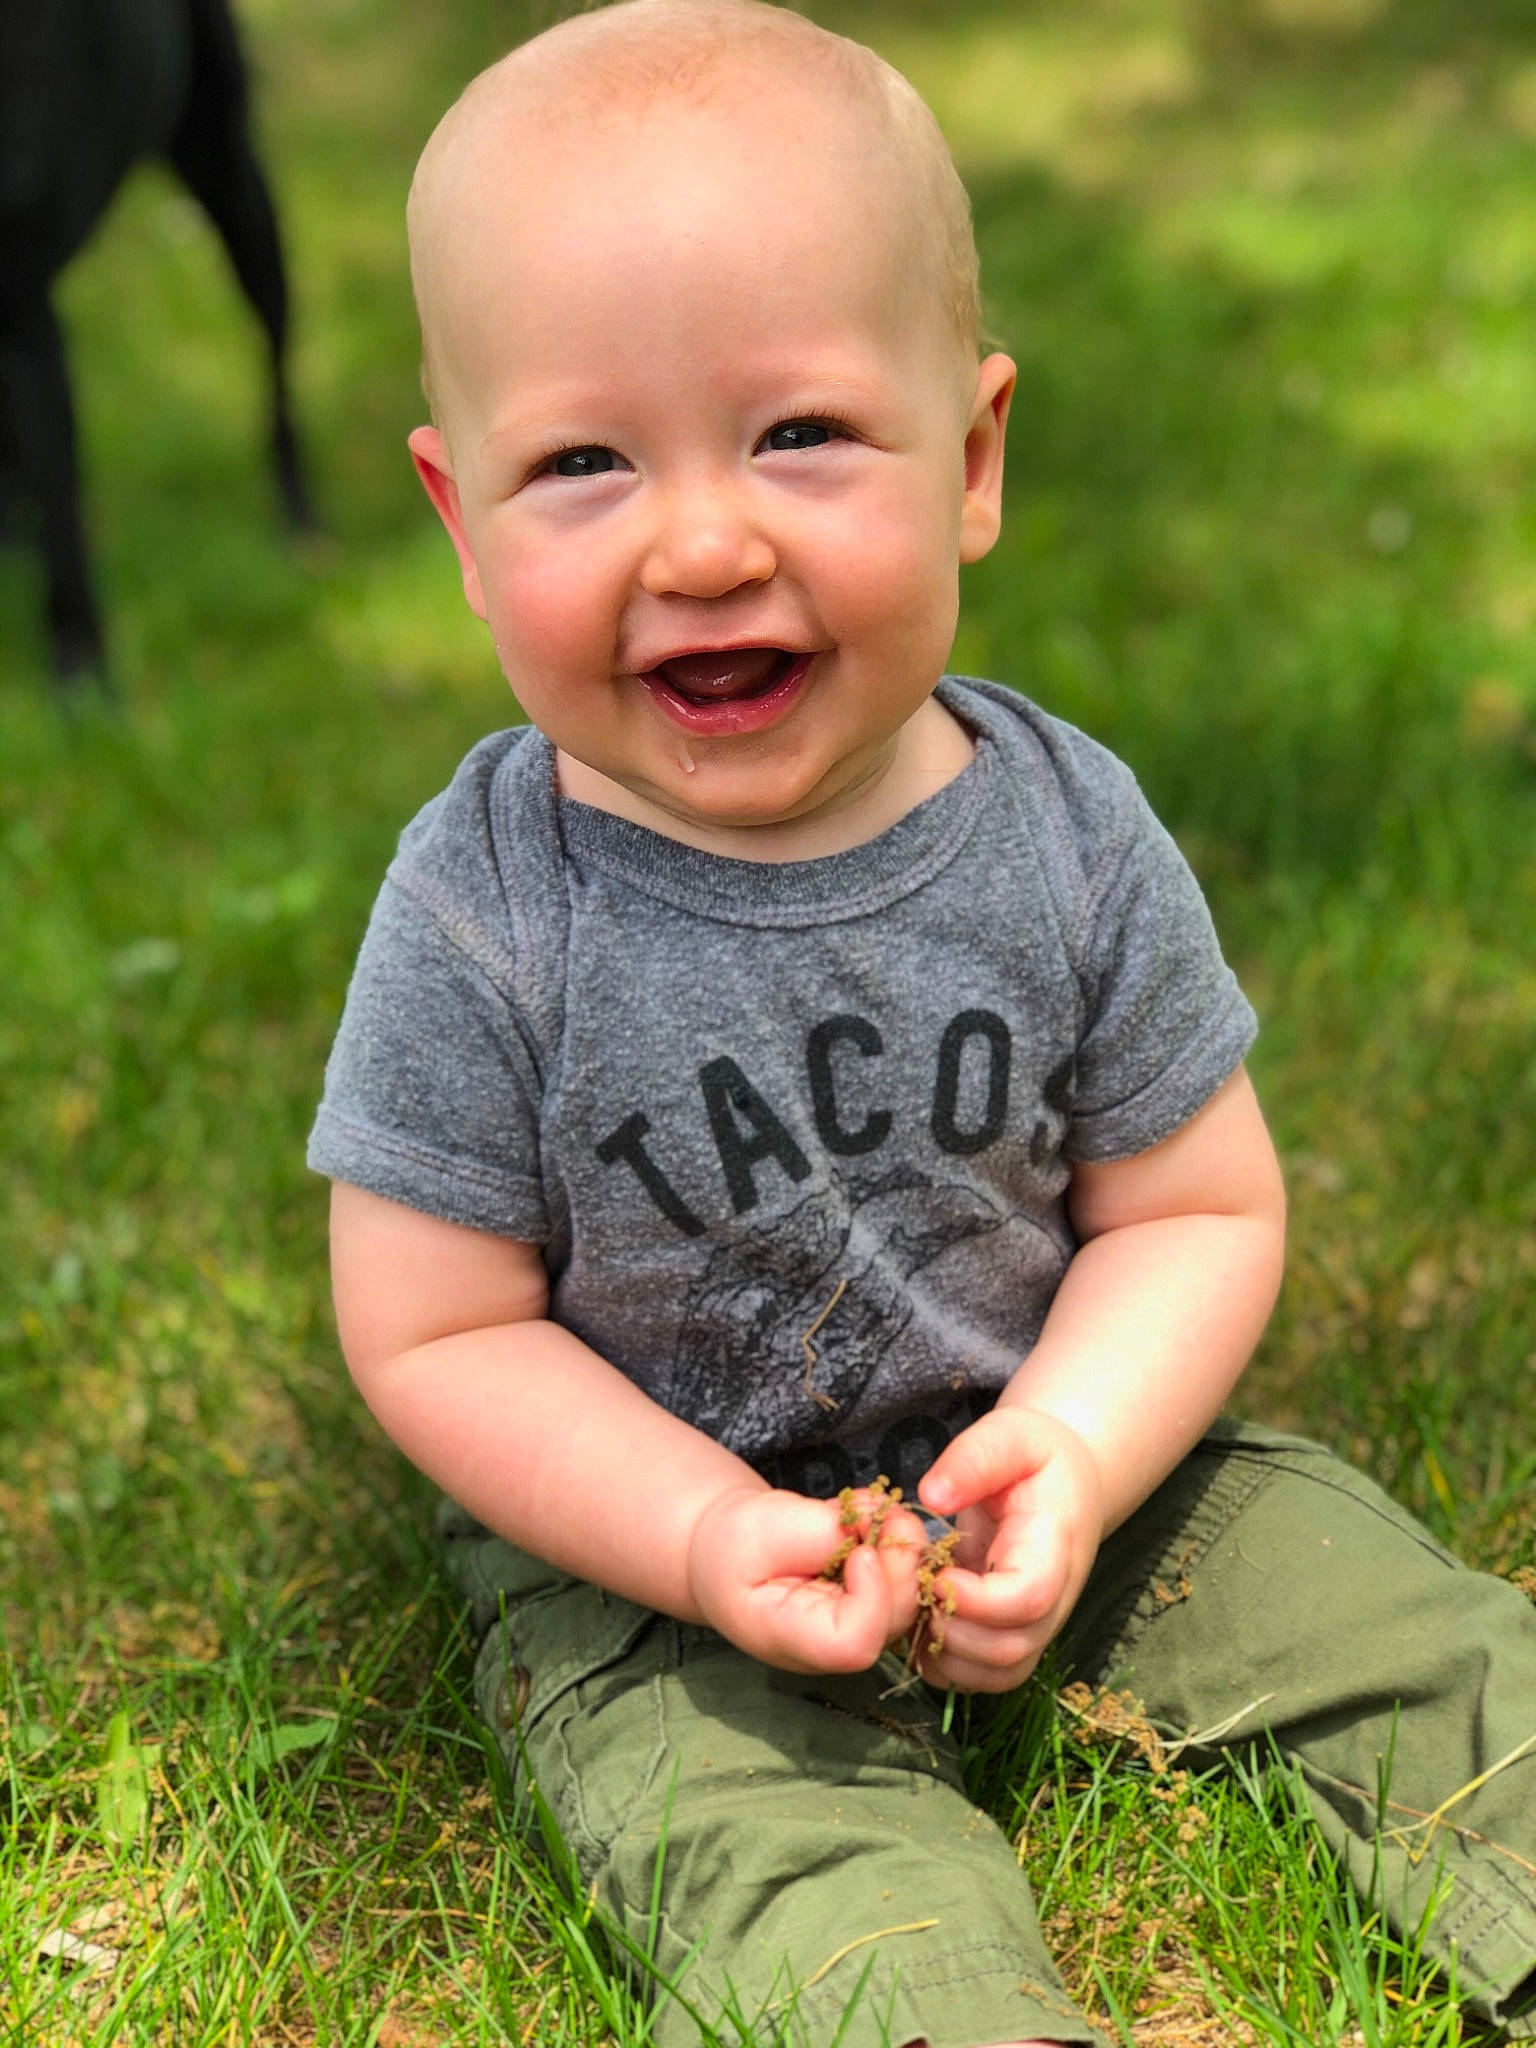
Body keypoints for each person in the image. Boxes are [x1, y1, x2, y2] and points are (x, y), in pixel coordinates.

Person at [307, 4, 1536, 2042]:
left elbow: (1193, 1213)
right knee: (805, 1878)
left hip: (1047, 1450)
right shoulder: (483, 910)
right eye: (584, 462)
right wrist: (703, 1537)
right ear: (461, 523)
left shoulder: (1060, 834)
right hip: (653, 1556)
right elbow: (434, 1326)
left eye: (797, 433)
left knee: (1408, 1635)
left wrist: (1068, 1441)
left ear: (970, 460)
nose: (706, 541)